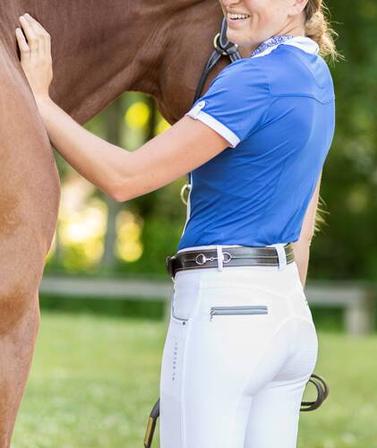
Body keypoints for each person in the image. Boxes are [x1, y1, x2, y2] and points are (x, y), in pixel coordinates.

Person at [16, 0, 338, 446]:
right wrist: (276, 316)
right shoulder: (314, 74)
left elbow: (125, 178)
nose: (232, 1)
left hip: (225, 312)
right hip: (287, 318)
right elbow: (302, 233)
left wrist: (40, 99)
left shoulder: (251, 80)